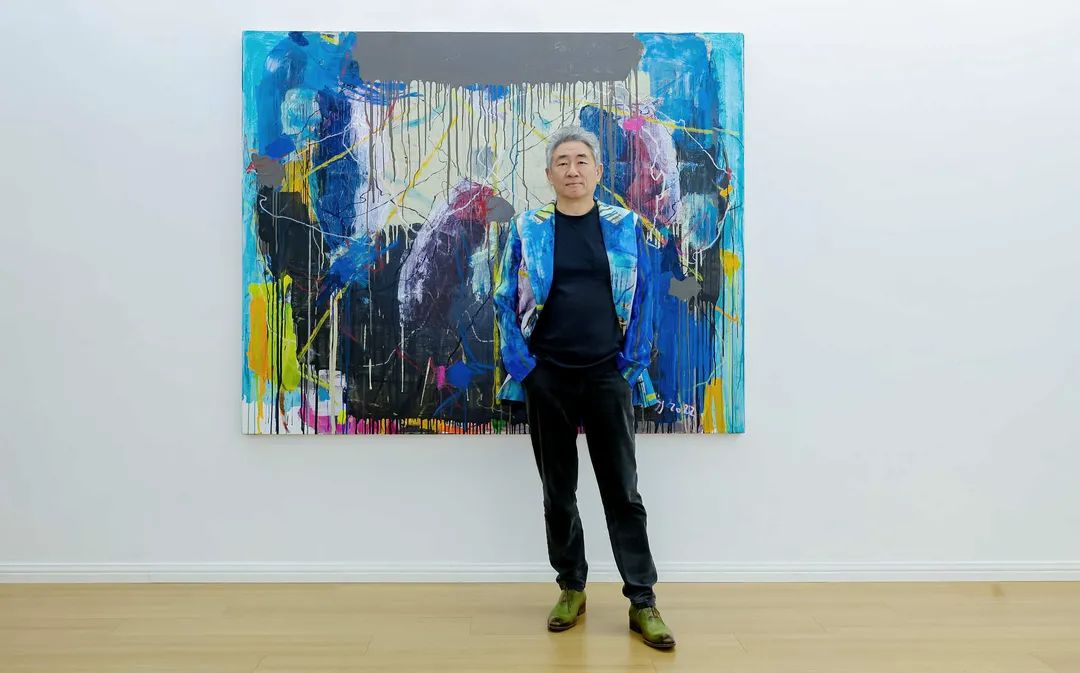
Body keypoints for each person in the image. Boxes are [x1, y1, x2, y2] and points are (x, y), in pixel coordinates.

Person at [492, 125, 675, 649]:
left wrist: (630, 365)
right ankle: (571, 587)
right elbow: (504, 297)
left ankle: (643, 600)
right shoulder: (527, 228)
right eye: (562, 162)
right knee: (558, 492)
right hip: (547, 376)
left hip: (607, 375)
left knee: (623, 492)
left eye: (581, 161)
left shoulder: (624, 226)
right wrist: (524, 368)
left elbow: (645, 297)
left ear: (597, 171)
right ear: (549, 174)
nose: (572, 170)